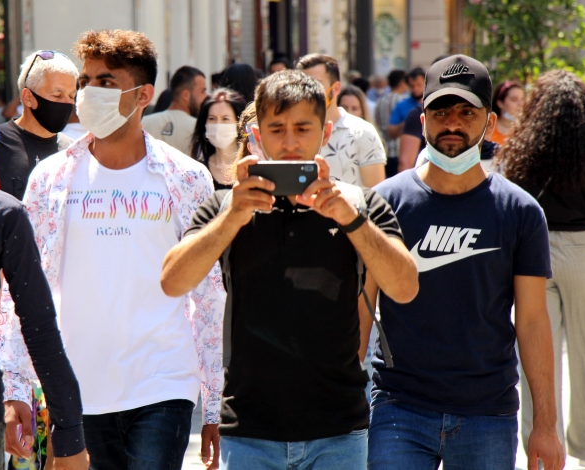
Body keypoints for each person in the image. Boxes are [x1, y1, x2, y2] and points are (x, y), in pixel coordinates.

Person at [160, 69, 419, 470]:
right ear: (258, 135)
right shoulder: (226, 205)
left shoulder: (360, 204)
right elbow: (172, 282)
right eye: (277, 129)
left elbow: (404, 288)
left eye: (302, 128)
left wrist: (348, 219)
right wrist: (233, 217)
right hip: (249, 429)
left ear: (325, 133)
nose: (290, 141)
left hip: (338, 429)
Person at [0, 29, 226, 470]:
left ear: (143, 95)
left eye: (105, 82)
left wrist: (213, 402)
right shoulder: (50, 179)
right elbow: (22, 289)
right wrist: (16, 387)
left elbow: (208, 293)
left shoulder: (185, 177)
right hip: (75, 385)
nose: (87, 93)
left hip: (165, 381)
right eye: (86, 80)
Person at [366, 54, 565, 470]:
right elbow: (360, 309)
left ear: (489, 123)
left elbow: (532, 321)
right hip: (398, 408)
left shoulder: (521, 211)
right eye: (440, 111)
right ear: (423, 120)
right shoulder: (384, 203)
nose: (452, 123)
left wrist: (545, 424)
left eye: (465, 112)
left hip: (487, 413)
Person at [498, 69, 585, 470]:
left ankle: (539, 452)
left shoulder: (521, 150)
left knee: (537, 359)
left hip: (532, 254)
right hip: (582, 252)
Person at [0, 180, 89, 469]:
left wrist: (69, 434)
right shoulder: (0, 212)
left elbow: (39, 329)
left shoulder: (1, 214)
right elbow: (40, 330)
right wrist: (70, 435)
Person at [0, 51, 76, 200]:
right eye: (57, 95)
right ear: (28, 97)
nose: (67, 103)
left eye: (72, 96)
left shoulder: (73, 151)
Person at [297, 53, 386, 188]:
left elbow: (377, 195)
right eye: (302, 84)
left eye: (316, 84)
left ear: (336, 88)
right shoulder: (290, 132)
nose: (308, 91)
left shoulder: (362, 132)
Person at [142, 65, 207, 153]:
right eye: (203, 91)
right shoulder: (199, 128)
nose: (206, 96)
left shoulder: (143, 123)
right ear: (185, 95)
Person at [190, 89, 246, 190]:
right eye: (212, 118)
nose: (218, 125)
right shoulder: (197, 171)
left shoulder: (251, 167)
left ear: (239, 125)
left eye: (225, 119)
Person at [375, 70, 409, 177]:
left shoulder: (380, 100)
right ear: (402, 83)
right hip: (398, 150)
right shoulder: (403, 100)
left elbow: (377, 121)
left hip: (383, 149)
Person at [387, 67, 425, 140]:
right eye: (412, 86)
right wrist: (410, 122)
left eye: (419, 85)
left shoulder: (432, 103)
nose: (415, 89)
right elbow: (391, 131)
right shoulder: (401, 105)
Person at [489, 80, 524, 145]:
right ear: (500, 103)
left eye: (523, 99)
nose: (520, 104)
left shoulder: (526, 129)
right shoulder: (488, 127)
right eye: (514, 99)